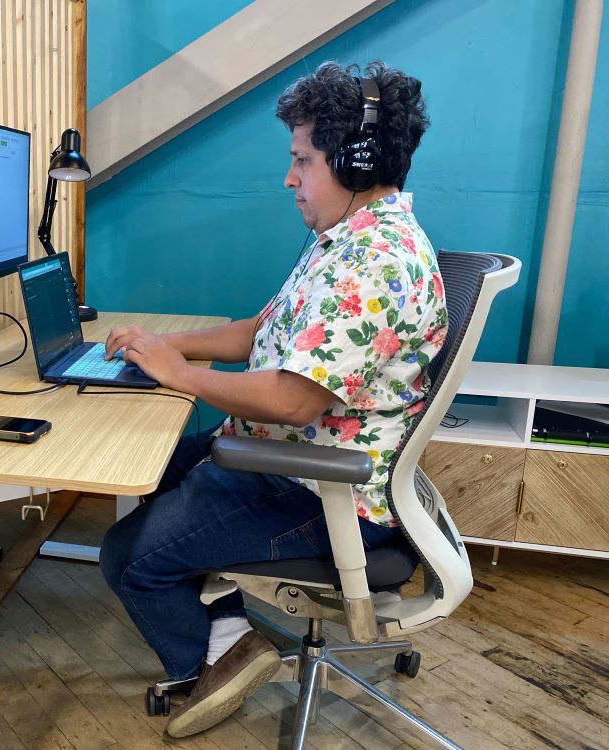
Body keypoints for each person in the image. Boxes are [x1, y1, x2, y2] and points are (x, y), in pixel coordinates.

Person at [98, 60, 444, 739]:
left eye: (302, 160)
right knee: (153, 466)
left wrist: (179, 374)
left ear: (355, 158)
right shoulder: (343, 240)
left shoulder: (373, 264)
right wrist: (165, 346)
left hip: (318, 488)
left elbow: (291, 401)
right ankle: (228, 625)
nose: (290, 178)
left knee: (127, 559)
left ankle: (217, 660)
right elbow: (260, 332)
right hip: (285, 460)